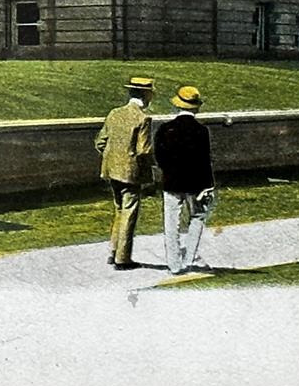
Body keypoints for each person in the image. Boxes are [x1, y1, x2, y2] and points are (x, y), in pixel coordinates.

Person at [93, 76, 155, 270]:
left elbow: (100, 142)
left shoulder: (114, 113)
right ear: (145, 95)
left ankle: (113, 251)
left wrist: (113, 158)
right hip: (130, 173)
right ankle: (123, 258)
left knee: (119, 210)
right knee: (129, 213)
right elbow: (144, 150)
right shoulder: (143, 118)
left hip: (112, 170)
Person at [155, 86, 217, 275]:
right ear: (196, 108)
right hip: (196, 184)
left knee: (171, 223)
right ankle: (189, 258)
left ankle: (174, 264)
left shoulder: (165, 129)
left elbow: (159, 156)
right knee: (197, 218)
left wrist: (168, 172)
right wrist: (209, 186)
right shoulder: (202, 131)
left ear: (177, 105)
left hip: (172, 182)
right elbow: (205, 160)